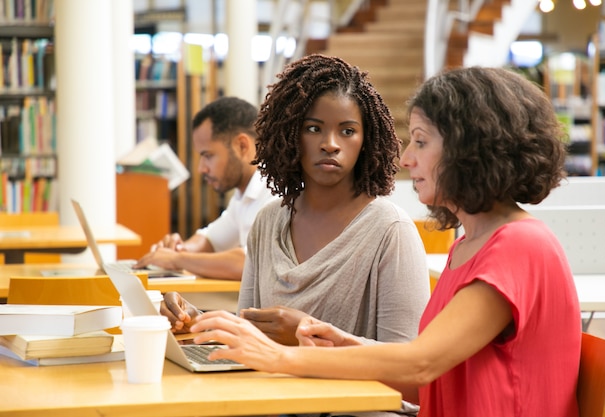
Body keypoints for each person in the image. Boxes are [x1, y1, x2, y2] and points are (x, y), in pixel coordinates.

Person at [188, 67, 582, 417]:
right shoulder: (468, 246)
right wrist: (339, 345)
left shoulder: (519, 245)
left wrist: (281, 356)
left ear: (471, 151)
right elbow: (425, 379)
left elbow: (420, 365)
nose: (407, 158)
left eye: (422, 142)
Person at [162, 54, 430, 355]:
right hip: (269, 396)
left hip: (354, 403)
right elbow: (250, 329)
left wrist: (309, 338)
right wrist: (200, 322)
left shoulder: (390, 230)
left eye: (348, 131)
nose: (330, 143)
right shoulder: (267, 222)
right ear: (289, 135)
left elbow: (409, 367)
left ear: (366, 141)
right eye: (313, 128)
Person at [134, 96, 277, 281]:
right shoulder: (244, 195)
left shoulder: (277, 190)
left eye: (208, 155)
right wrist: (180, 249)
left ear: (242, 146)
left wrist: (178, 259)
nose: (202, 168)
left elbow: (252, 262)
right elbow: (211, 239)